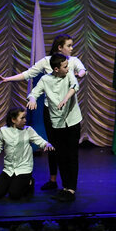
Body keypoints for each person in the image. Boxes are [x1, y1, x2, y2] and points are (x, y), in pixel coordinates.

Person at [0, 33, 86, 191]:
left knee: (70, 152)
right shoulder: (47, 65)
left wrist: (79, 75)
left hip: (70, 114)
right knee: (55, 147)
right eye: (69, 46)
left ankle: (70, 187)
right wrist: (8, 80)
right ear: (60, 48)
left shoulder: (71, 65)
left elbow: (80, 74)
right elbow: (29, 75)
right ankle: (54, 180)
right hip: (52, 111)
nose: (72, 49)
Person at [27, 53, 81, 202]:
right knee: (61, 155)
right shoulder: (46, 79)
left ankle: (71, 189)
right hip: (57, 123)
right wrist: (32, 100)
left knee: (71, 155)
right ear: (56, 69)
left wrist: (65, 99)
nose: (68, 68)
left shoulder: (69, 74)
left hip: (72, 121)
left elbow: (74, 86)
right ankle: (65, 187)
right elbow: (34, 93)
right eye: (64, 66)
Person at [0, 108, 54, 200]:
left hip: (24, 168)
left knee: (14, 195)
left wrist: (47, 144)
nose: (25, 120)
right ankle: (14, 182)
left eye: (25, 117)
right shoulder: (3, 131)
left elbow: (40, 141)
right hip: (9, 169)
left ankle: (29, 182)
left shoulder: (28, 130)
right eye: (22, 118)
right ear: (13, 120)